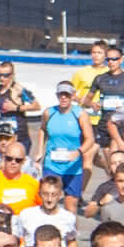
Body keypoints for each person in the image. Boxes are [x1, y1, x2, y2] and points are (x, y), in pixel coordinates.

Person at [41, 82, 93, 211]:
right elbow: (42, 130)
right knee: (49, 202)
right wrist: (39, 152)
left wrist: (78, 152)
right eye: (61, 94)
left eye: (67, 95)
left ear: (73, 96)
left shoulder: (80, 114)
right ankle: (48, 231)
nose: (63, 97)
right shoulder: (49, 112)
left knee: (70, 207)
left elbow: (90, 139)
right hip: (52, 164)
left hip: (72, 167)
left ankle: (72, 231)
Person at [83, 50, 124, 164]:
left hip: (120, 125)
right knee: (108, 161)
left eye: (114, 59)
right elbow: (86, 101)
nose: (111, 62)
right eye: (108, 59)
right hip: (104, 124)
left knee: (116, 158)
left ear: (121, 60)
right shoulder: (100, 78)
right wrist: (93, 104)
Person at [15, 175, 80, 247]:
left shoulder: (68, 217)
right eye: (45, 194)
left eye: (53, 194)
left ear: (60, 195)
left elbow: (71, 240)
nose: (49, 199)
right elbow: (17, 239)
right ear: (39, 194)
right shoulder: (26, 215)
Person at [0, 141, 40, 213]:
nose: (13, 162)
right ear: (4, 158)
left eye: (18, 160)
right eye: (9, 158)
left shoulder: (34, 184)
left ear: (23, 161)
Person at [0, 63, 42, 156]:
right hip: (4, 134)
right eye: (0, 75)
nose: (2, 78)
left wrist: (16, 107)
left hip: (20, 136)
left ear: (12, 75)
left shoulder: (18, 89)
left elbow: (37, 106)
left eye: (6, 75)